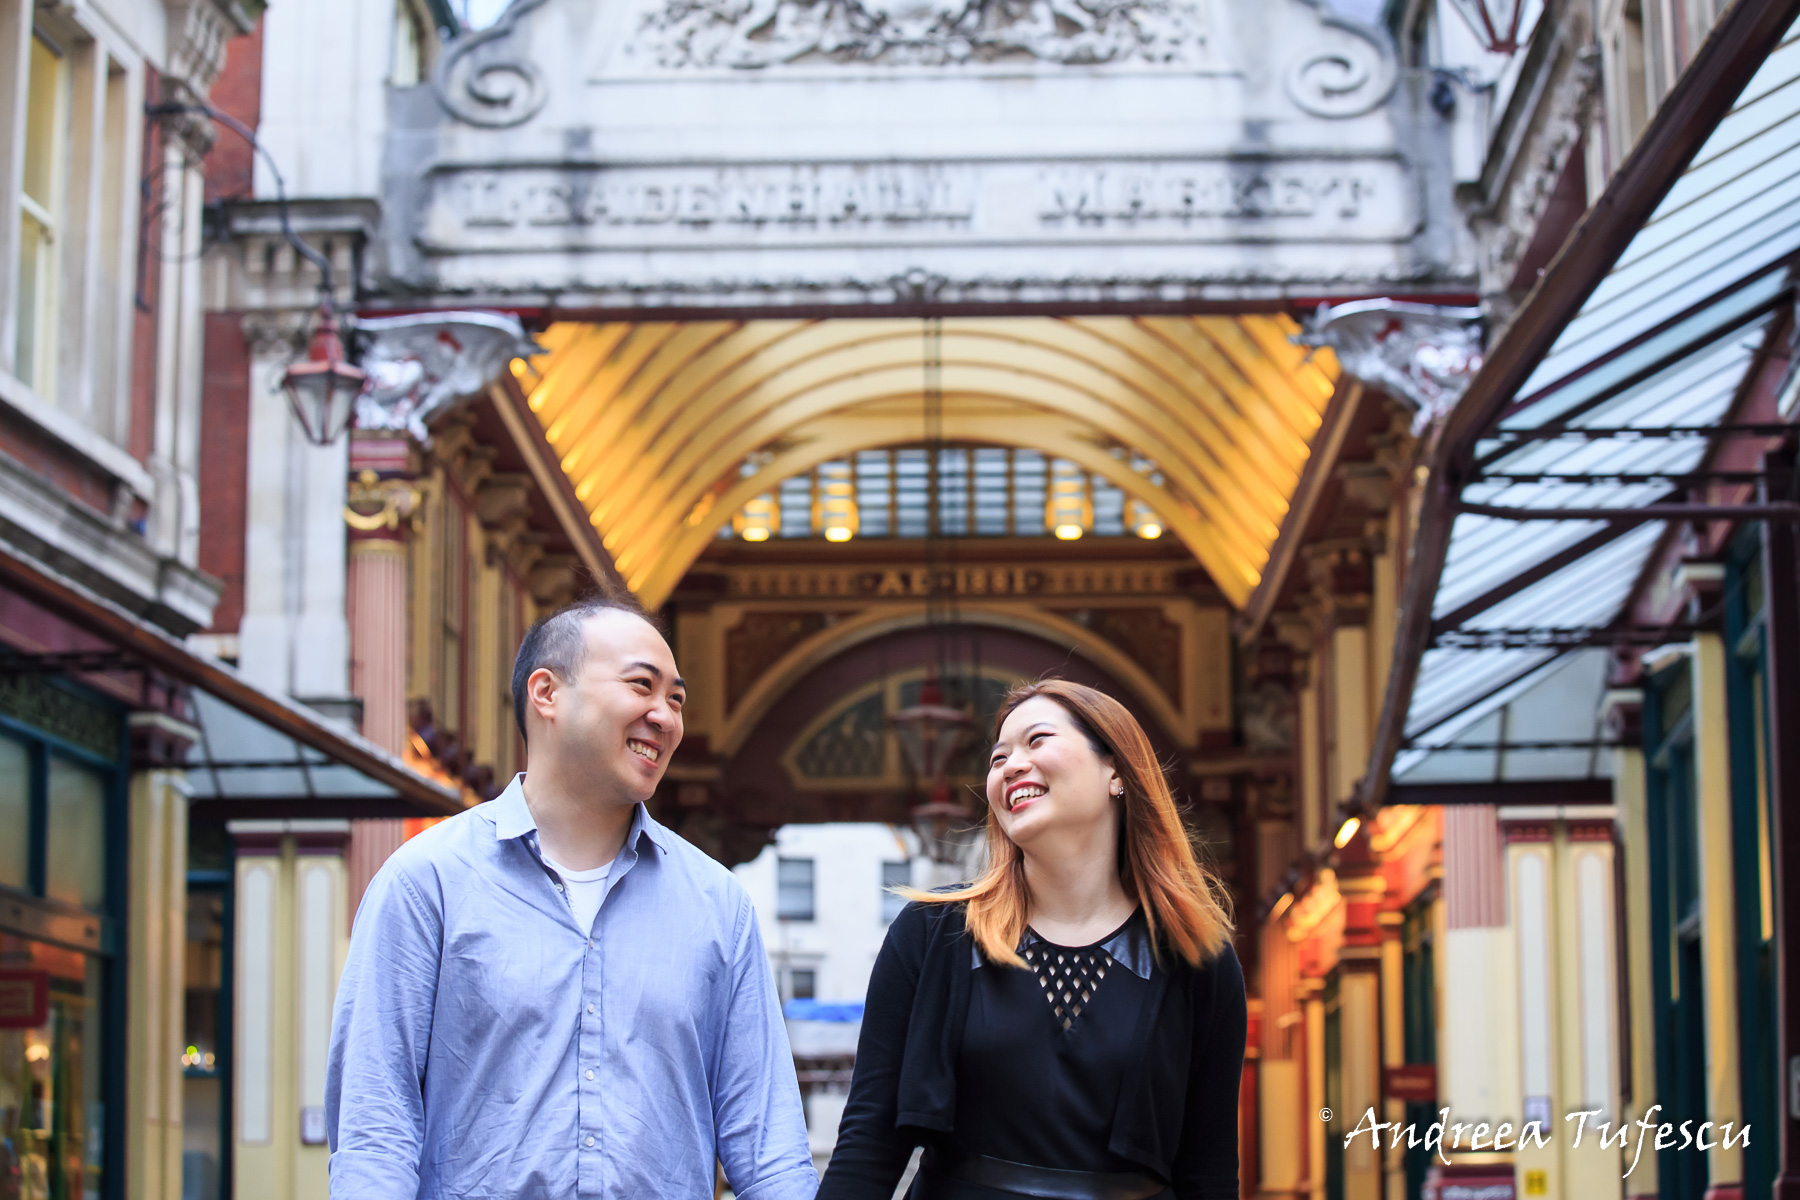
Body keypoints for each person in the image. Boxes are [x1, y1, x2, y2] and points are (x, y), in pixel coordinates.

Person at [324, 595, 817, 1200]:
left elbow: (769, 1148)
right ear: (547, 693)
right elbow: (376, 1130)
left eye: (676, 699)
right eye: (642, 686)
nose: (665, 716)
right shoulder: (427, 883)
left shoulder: (718, 904)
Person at [819, 679, 1246, 1200]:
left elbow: (1210, 1168)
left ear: (1115, 769)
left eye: (1037, 740)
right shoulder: (933, 933)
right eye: (998, 757)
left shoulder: (1196, 956)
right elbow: (869, 1139)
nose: (1010, 765)